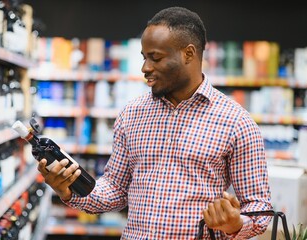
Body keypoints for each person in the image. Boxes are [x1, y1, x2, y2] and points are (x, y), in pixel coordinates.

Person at [37, 6, 273, 239]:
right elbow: (115, 190)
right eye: (144, 57)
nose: (145, 68)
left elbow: (260, 210)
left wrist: (235, 223)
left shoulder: (237, 122)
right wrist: (69, 189)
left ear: (188, 54)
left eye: (155, 58)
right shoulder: (132, 113)